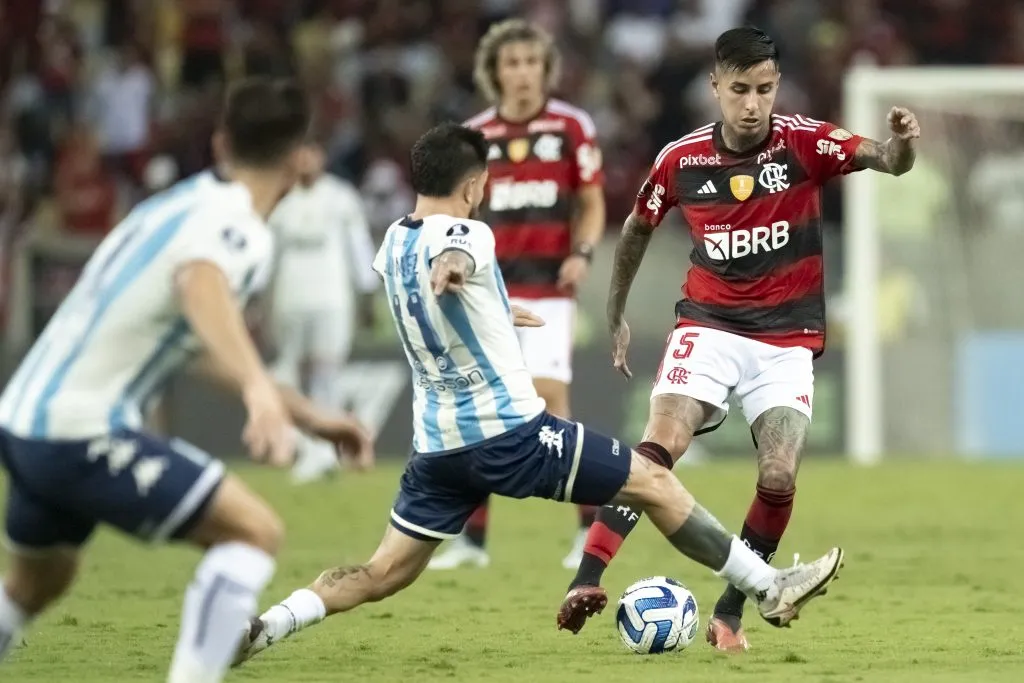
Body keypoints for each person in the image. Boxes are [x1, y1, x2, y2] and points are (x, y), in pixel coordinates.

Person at [231, 122, 843, 668]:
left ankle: (265, 626)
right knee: (654, 482)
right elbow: (456, 255)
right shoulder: (471, 234)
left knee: (380, 573)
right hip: (511, 435)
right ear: (473, 187)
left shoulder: (392, 242)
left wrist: (494, 306)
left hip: (438, 447)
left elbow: (433, 285)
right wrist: (456, 265)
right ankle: (768, 587)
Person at [557, 26, 919, 651]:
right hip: (708, 326)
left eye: (766, 89)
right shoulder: (681, 159)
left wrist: (902, 144)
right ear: (715, 87)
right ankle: (585, 579)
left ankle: (730, 614)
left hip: (786, 340)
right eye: (740, 90)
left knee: (778, 476)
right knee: (656, 449)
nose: (753, 104)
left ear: (777, 86)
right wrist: (616, 311)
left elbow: (887, 161)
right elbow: (637, 229)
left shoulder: (806, 143)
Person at [0, 77, 373, 683]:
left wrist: (307, 414)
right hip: (76, 427)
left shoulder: (177, 203)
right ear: (301, 157)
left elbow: (195, 344)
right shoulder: (238, 227)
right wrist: (257, 390)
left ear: (222, 143)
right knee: (252, 533)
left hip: (22, 417)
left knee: (37, 582)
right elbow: (200, 283)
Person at [429, 18, 607, 571]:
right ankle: (472, 542)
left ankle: (587, 530)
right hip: (489, 290)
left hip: (550, 286)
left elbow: (592, 202)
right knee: (479, 406)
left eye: (532, 62)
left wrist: (582, 253)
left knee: (550, 399)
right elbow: (456, 210)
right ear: (494, 72)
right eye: (512, 63)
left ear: (546, 69)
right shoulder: (476, 134)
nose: (524, 73)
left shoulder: (573, 126)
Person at [264, 140, 379, 483]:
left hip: (331, 299)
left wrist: (367, 292)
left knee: (326, 373)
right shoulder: (279, 199)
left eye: (310, 152)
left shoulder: (341, 198)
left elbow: (358, 248)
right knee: (288, 374)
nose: (305, 160)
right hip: (288, 299)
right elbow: (266, 253)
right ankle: (299, 447)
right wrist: (256, 298)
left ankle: (323, 451)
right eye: (297, 153)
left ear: (321, 156)